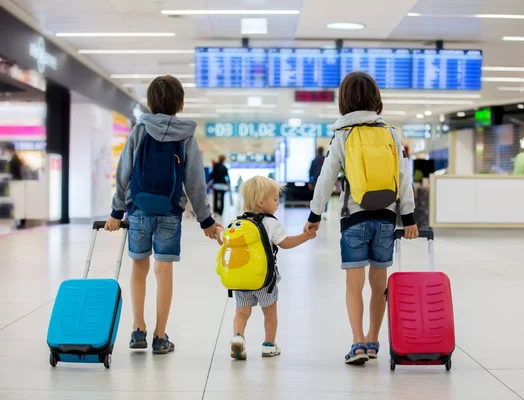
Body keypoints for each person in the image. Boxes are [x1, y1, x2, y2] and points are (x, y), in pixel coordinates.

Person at [304, 71, 418, 365]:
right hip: (385, 218)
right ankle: (373, 341)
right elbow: (403, 179)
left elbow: (326, 179)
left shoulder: (342, 135)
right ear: (375, 99)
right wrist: (409, 218)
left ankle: (356, 343)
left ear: (343, 101)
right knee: (380, 282)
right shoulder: (391, 133)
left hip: (354, 218)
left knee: (354, 284)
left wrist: (315, 215)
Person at [105, 75, 222, 355]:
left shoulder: (139, 130)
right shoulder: (186, 135)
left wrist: (116, 210)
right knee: (163, 269)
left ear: (150, 101)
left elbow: (124, 172)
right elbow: (194, 180)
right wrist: (205, 220)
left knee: (138, 268)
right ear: (179, 104)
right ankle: (160, 336)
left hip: (139, 211)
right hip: (170, 211)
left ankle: (138, 329)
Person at [229, 176, 316, 360]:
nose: (277, 203)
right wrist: (305, 237)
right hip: (264, 280)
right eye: (275, 199)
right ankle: (269, 345)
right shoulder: (271, 223)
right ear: (261, 202)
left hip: (241, 280)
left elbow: (226, 242)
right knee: (269, 314)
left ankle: (238, 337)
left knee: (242, 312)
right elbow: (285, 243)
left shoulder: (239, 223)